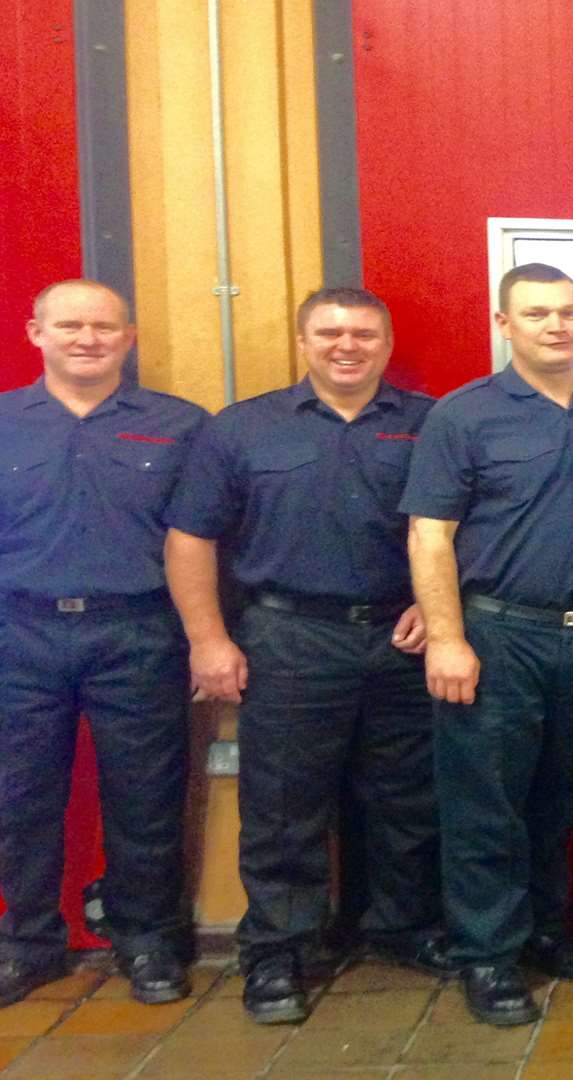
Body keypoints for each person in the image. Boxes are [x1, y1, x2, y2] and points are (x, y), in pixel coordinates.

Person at [163, 286, 450, 1024]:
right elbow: (191, 538)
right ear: (304, 341)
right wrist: (207, 639)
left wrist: (434, 603)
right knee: (284, 807)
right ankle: (277, 955)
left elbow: (458, 526)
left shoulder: (429, 424)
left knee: (407, 799)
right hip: (289, 637)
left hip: (400, 638)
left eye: (363, 333)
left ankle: (400, 927)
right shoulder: (243, 429)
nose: (347, 345)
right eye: (330, 332)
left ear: (386, 344)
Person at [399, 263, 573, 1026]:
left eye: (568, 312)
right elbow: (430, 534)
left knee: (560, 797)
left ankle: (543, 929)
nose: (556, 325)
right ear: (504, 325)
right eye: (537, 314)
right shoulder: (463, 417)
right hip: (498, 635)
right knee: (485, 807)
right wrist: (447, 637)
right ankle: (488, 956)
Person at [0, 280, 206, 1007]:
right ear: (36, 332)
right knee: (19, 799)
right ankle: (28, 943)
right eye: (70, 326)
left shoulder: (181, 427)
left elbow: (204, 541)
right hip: (19, 635)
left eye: (103, 326)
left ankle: (147, 942)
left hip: (138, 633)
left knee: (146, 799)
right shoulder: (3, 422)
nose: (87, 338)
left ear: (130, 336)